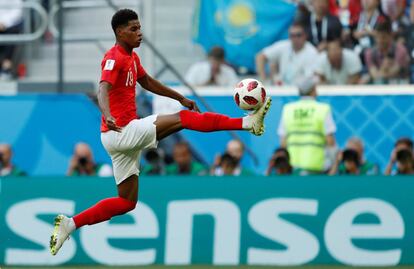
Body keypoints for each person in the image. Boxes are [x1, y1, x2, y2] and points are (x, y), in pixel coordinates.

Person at [49, 9, 271, 256]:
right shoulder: (114, 57)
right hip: (122, 130)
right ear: (119, 32)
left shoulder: (132, 58)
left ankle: (70, 223)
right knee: (185, 120)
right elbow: (103, 88)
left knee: (126, 202)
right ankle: (247, 124)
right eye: (133, 29)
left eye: (139, 27)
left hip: (119, 137)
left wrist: (180, 97)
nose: (139, 33)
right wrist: (107, 113)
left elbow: (149, 83)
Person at [278, 76, 337, 174]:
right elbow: (330, 140)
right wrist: (334, 163)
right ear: (313, 90)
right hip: (317, 166)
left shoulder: (288, 109)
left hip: (293, 167)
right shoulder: (323, 109)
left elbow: (283, 142)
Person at [364, 20, 410, 84]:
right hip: (379, 84)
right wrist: (383, 68)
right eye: (377, 37)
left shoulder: (400, 50)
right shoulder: (369, 52)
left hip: (399, 83)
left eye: (383, 37)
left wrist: (380, 73)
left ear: (390, 36)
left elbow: (393, 73)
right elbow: (374, 75)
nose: (380, 40)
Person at [0, 0, 23, 80]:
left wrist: (4, 23)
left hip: (10, 25)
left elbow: (18, 12)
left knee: (12, 32)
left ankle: (6, 67)